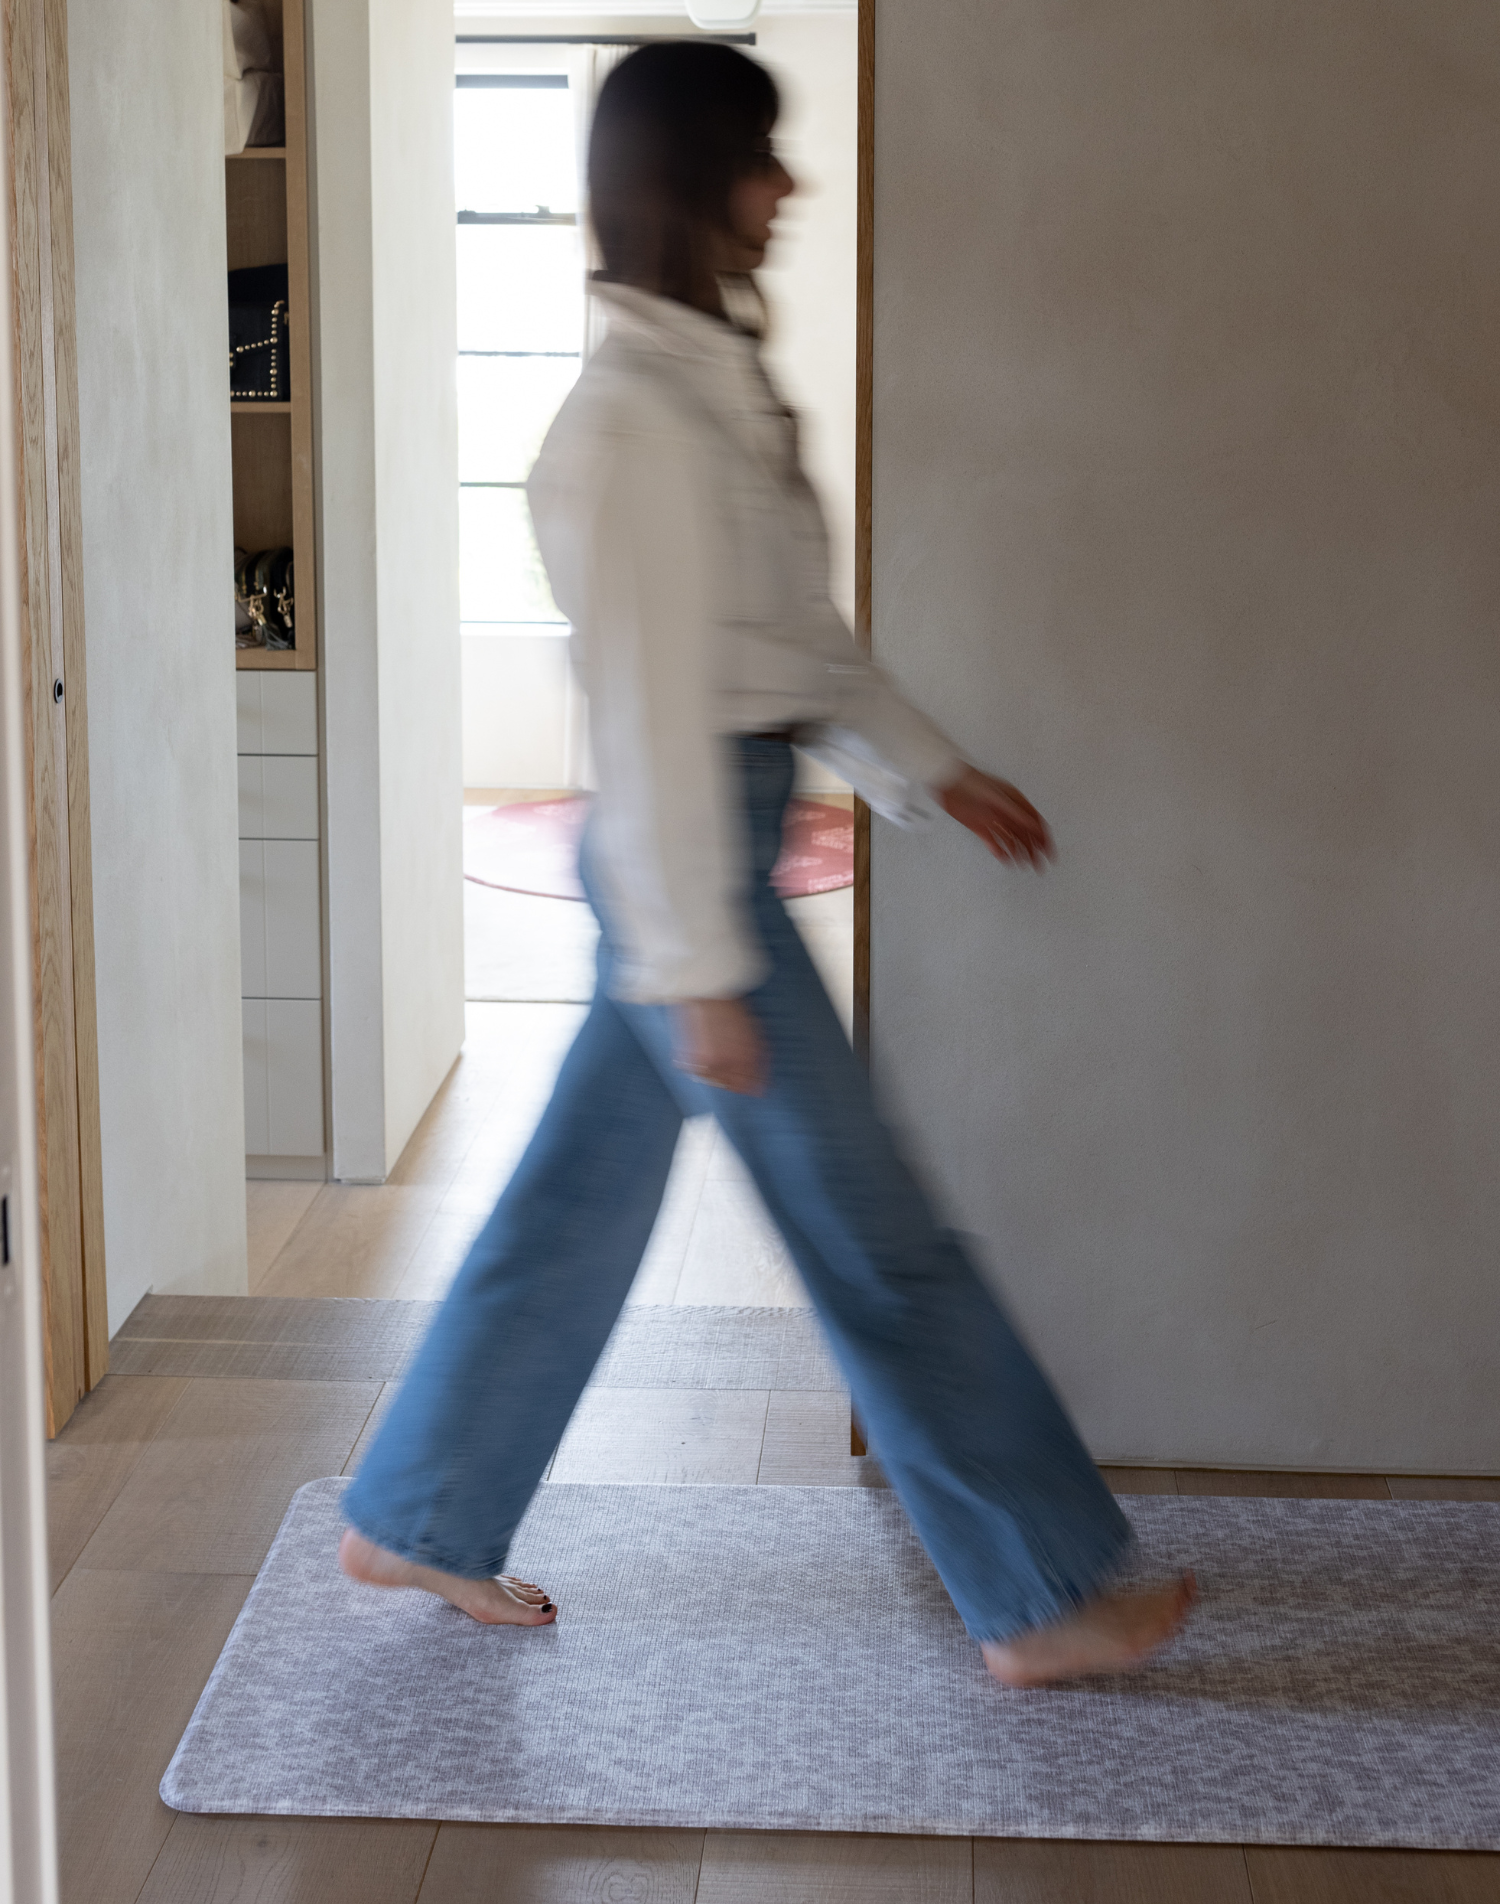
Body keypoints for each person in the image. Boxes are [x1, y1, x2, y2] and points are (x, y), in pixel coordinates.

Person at [338, 40, 1194, 1688]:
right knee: (877, 1242)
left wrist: (932, 772)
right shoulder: (641, 425)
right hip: (691, 875)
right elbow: (654, 712)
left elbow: (792, 648)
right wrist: (701, 967)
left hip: (700, 855)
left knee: (570, 1213)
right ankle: (1041, 1595)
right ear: (694, 179)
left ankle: (420, 1512)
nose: (789, 187)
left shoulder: (712, 386)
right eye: (764, 159)